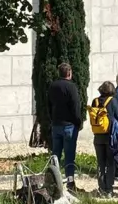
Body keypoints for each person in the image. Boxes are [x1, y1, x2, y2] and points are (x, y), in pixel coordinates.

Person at [46, 63, 82, 192]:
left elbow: (48, 105)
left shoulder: (53, 86)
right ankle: (70, 182)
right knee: (69, 155)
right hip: (69, 125)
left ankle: (51, 180)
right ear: (69, 73)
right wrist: (78, 121)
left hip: (56, 124)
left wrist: (52, 119)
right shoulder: (71, 87)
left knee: (55, 153)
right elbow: (75, 106)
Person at [91, 81, 118, 197]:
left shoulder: (95, 101)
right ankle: (109, 189)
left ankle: (101, 188)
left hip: (97, 136)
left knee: (100, 163)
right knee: (110, 162)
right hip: (110, 136)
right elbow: (117, 115)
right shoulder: (113, 101)